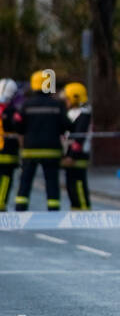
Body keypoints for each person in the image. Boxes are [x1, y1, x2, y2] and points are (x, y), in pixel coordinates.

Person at [14, 71, 68, 211]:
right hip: (52, 150)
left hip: (30, 150)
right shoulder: (57, 105)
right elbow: (66, 125)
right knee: (51, 182)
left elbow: (18, 125)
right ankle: (53, 209)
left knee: (25, 181)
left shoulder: (26, 105)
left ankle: (20, 207)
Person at [63, 82, 92, 210]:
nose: (66, 101)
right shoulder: (73, 113)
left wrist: (72, 156)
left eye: (67, 98)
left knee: (78, 184)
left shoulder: (84, 114)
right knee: (71, 185)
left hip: (78, 156)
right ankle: (75, 209)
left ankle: (84, 209)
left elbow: (79, 137)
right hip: (70, 155)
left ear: (75, 98)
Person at [0, 79, 19, 210]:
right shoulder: (12, 111)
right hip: (7, 151)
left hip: (6, 149)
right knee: (6, 178)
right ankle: (1, 203)